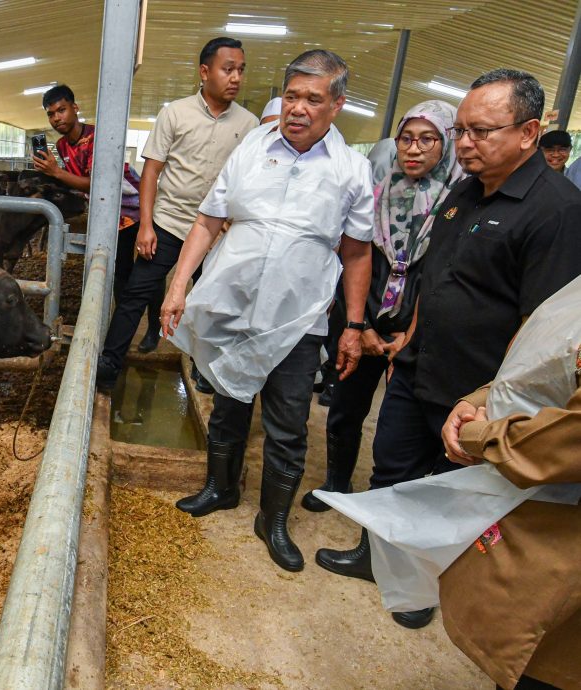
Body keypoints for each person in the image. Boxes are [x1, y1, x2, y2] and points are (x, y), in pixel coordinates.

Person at [316, 68, 581, 630]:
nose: (465, 143)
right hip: (419, 364)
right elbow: (432, 277)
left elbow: (542, 325)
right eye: (461, 130)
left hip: (474, 386)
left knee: (446, 489)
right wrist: (408, 340)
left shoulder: (556, 210)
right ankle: (376, 558)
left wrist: (492, 400)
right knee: (390, 465)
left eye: (482, 131)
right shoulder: (464, 190)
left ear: (530, 133)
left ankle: (421, 588)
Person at [162, 49, 373, 573]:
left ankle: (273, 519)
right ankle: (220, 488)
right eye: (294, 95)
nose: (299, 108)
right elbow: (209, 221)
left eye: (314, 99)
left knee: (288, 422)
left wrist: (353, 324)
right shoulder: (254, 146)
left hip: (297, 322)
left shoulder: (352, 170)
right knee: (229, 403)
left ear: (337, 104)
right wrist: (179, 284)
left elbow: (357, 252)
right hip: (232, 307)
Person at [301, 100, 464, 513]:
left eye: (427, 140)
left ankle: (384, 508)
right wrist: (365, 325)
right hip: (363, 319)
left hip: (417, 333)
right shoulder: (375, 193)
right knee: (344, 406)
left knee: (398, 426)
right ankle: (336, 484)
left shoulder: (459, 204)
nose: (414, 149)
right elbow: (359, 261)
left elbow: (442, 277)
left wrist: (408, 336)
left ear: (445, 144)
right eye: (406, 139)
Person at [438, 276, 581, 690]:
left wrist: (485, 436)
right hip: (541, 494)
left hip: (561, 509)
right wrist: (479, 400)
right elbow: (544, 364)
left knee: (547, 662)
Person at [95, 36, 259, 391]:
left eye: (240, 71)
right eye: (227, 69)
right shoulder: (176, 113)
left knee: (210, 303)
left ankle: (204, 370)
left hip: (215, 234)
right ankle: (109, 364)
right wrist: (146, 225)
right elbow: (151, 171)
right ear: (204, 71)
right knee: (136, 294)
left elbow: (248, 181)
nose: (236, 78)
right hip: (169, 223)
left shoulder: (249, 125)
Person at [35, 85, 158, 347]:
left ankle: (154, 328)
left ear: (75, 108)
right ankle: (122, 330)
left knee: (150, 269)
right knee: (121, 272)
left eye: (61, 110)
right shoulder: (61, 145)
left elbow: (95, 183)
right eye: (51, 114)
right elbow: (78, 182)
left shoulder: (98, 138)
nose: (57, 118)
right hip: (112, 217)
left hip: (137, 208)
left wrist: (57, 173)